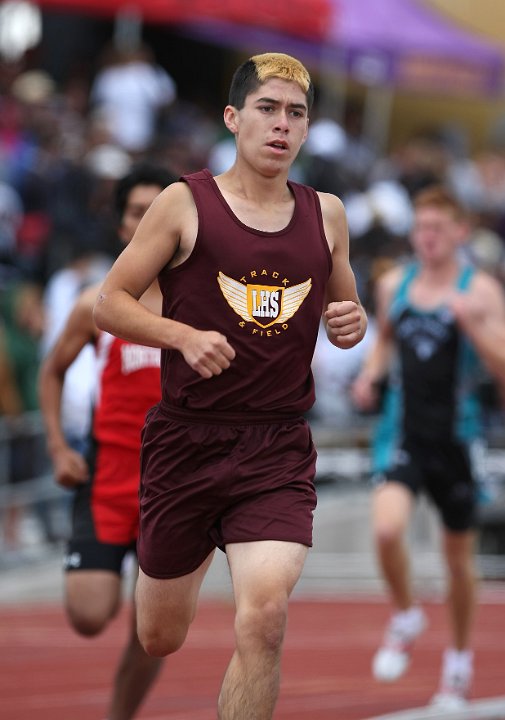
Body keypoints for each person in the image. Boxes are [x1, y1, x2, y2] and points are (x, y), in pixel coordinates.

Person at [93, 52, 367, 719]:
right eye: (267, 109)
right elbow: (109, 302)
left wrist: (351, 320)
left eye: (295, 114)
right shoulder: (184, 203)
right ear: (233, 118)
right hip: (185, 441)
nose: (281, 125)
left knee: (264, 618)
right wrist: (181, 337)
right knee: (159, 637)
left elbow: (345, 315)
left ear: (306, 130)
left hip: (274, 446)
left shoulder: (326, 213)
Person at [351, 185, 505, 710]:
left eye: (438, 228)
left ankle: (458, 664)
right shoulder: (395, 284)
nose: (428, 238)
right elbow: (386, 343)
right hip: (404, 431)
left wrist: (474, 326)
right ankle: (405, 613)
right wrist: (370, 376)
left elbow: (503, 370)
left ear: (461, 232)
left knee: (457, 560)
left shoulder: (480, 290)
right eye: (421, 228)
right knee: (387, 526)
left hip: (458, 438)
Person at [38, 163, 175, 720]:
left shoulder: (206, 306)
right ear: (122, 224)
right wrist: (56, 447)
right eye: (137, 212)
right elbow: (51, 372)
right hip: (107, 478)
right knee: (90, 614)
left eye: (157, 211)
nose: (146, 222)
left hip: (171, 486)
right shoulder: (96, 304)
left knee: (153, 629)